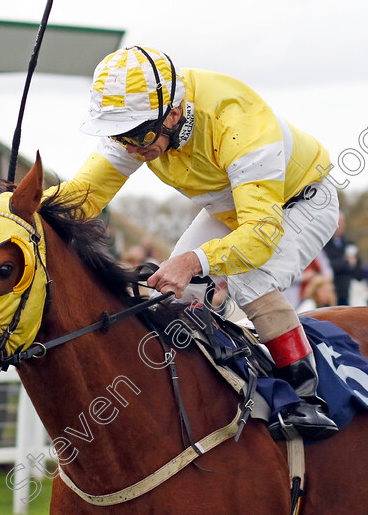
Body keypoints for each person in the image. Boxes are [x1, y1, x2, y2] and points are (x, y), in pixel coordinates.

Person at [46, 45, 340, 439]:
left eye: (138, 134)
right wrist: (18, 209)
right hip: (232, 206)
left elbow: (260, 237)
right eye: (121, 136)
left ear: (172, 111)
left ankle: (307, 400)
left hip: (301, 201)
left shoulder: (239, 121)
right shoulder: (142, 121)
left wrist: (192, 262)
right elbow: (85, 196)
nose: (131, 146)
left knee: (249, 280)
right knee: (171, 295)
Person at [322, 212, 362, 305]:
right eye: (338, 222)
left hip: (347, 290)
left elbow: (358, 265)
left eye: (342, 223)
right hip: (332, 288)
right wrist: (346, 262)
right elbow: (327, 265)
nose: (341, 226)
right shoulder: (324, 242)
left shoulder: (349, 242)